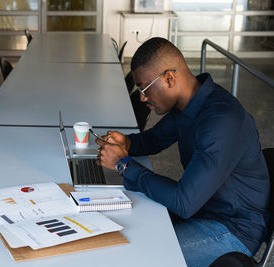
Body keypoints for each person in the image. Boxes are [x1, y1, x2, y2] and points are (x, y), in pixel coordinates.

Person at [96, 37, 270, 266]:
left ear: (169, 78)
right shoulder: (190, 102)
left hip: (233, 229)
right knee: (122, 228)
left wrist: (124, 165)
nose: (142, 97)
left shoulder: (221, 121)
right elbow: (156, 138)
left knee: (137, 254)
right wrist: (127, 142)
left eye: (144, 88)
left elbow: (184, 202)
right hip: (204, 208)